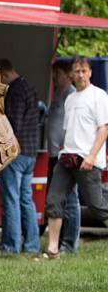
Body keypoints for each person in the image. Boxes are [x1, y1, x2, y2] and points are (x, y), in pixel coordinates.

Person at [43, 56, 108, 258]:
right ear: (72, 73)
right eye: (76, 71)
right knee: (54, 201)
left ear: (90, 72)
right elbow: (67, 130)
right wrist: (62, 149)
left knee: (97, 207)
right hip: (66, 158)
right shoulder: (70, 99)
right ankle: (53, 249)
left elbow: (103, 128)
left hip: (87, 160)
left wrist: (92, 155)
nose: (80, 74)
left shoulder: (98, 95)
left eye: (83, 70)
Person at [0, 58, 40, 254]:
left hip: (15, 154)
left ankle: (11, 247)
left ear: (3, 73)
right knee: (26, 199)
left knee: (10, 198)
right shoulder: (29, 87)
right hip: (30, 152)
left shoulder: (16, 91)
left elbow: (12, 124)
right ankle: (32, 245)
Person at [45, 59, 80, 253]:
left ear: (68, 75)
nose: (54, 78)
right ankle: (57, 241)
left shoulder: (72, 96)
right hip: (54, 154)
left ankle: (70, 242)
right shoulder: (58, 95)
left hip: (67, 155)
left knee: (71, 200)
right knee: (56, 199)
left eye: (57, 74)